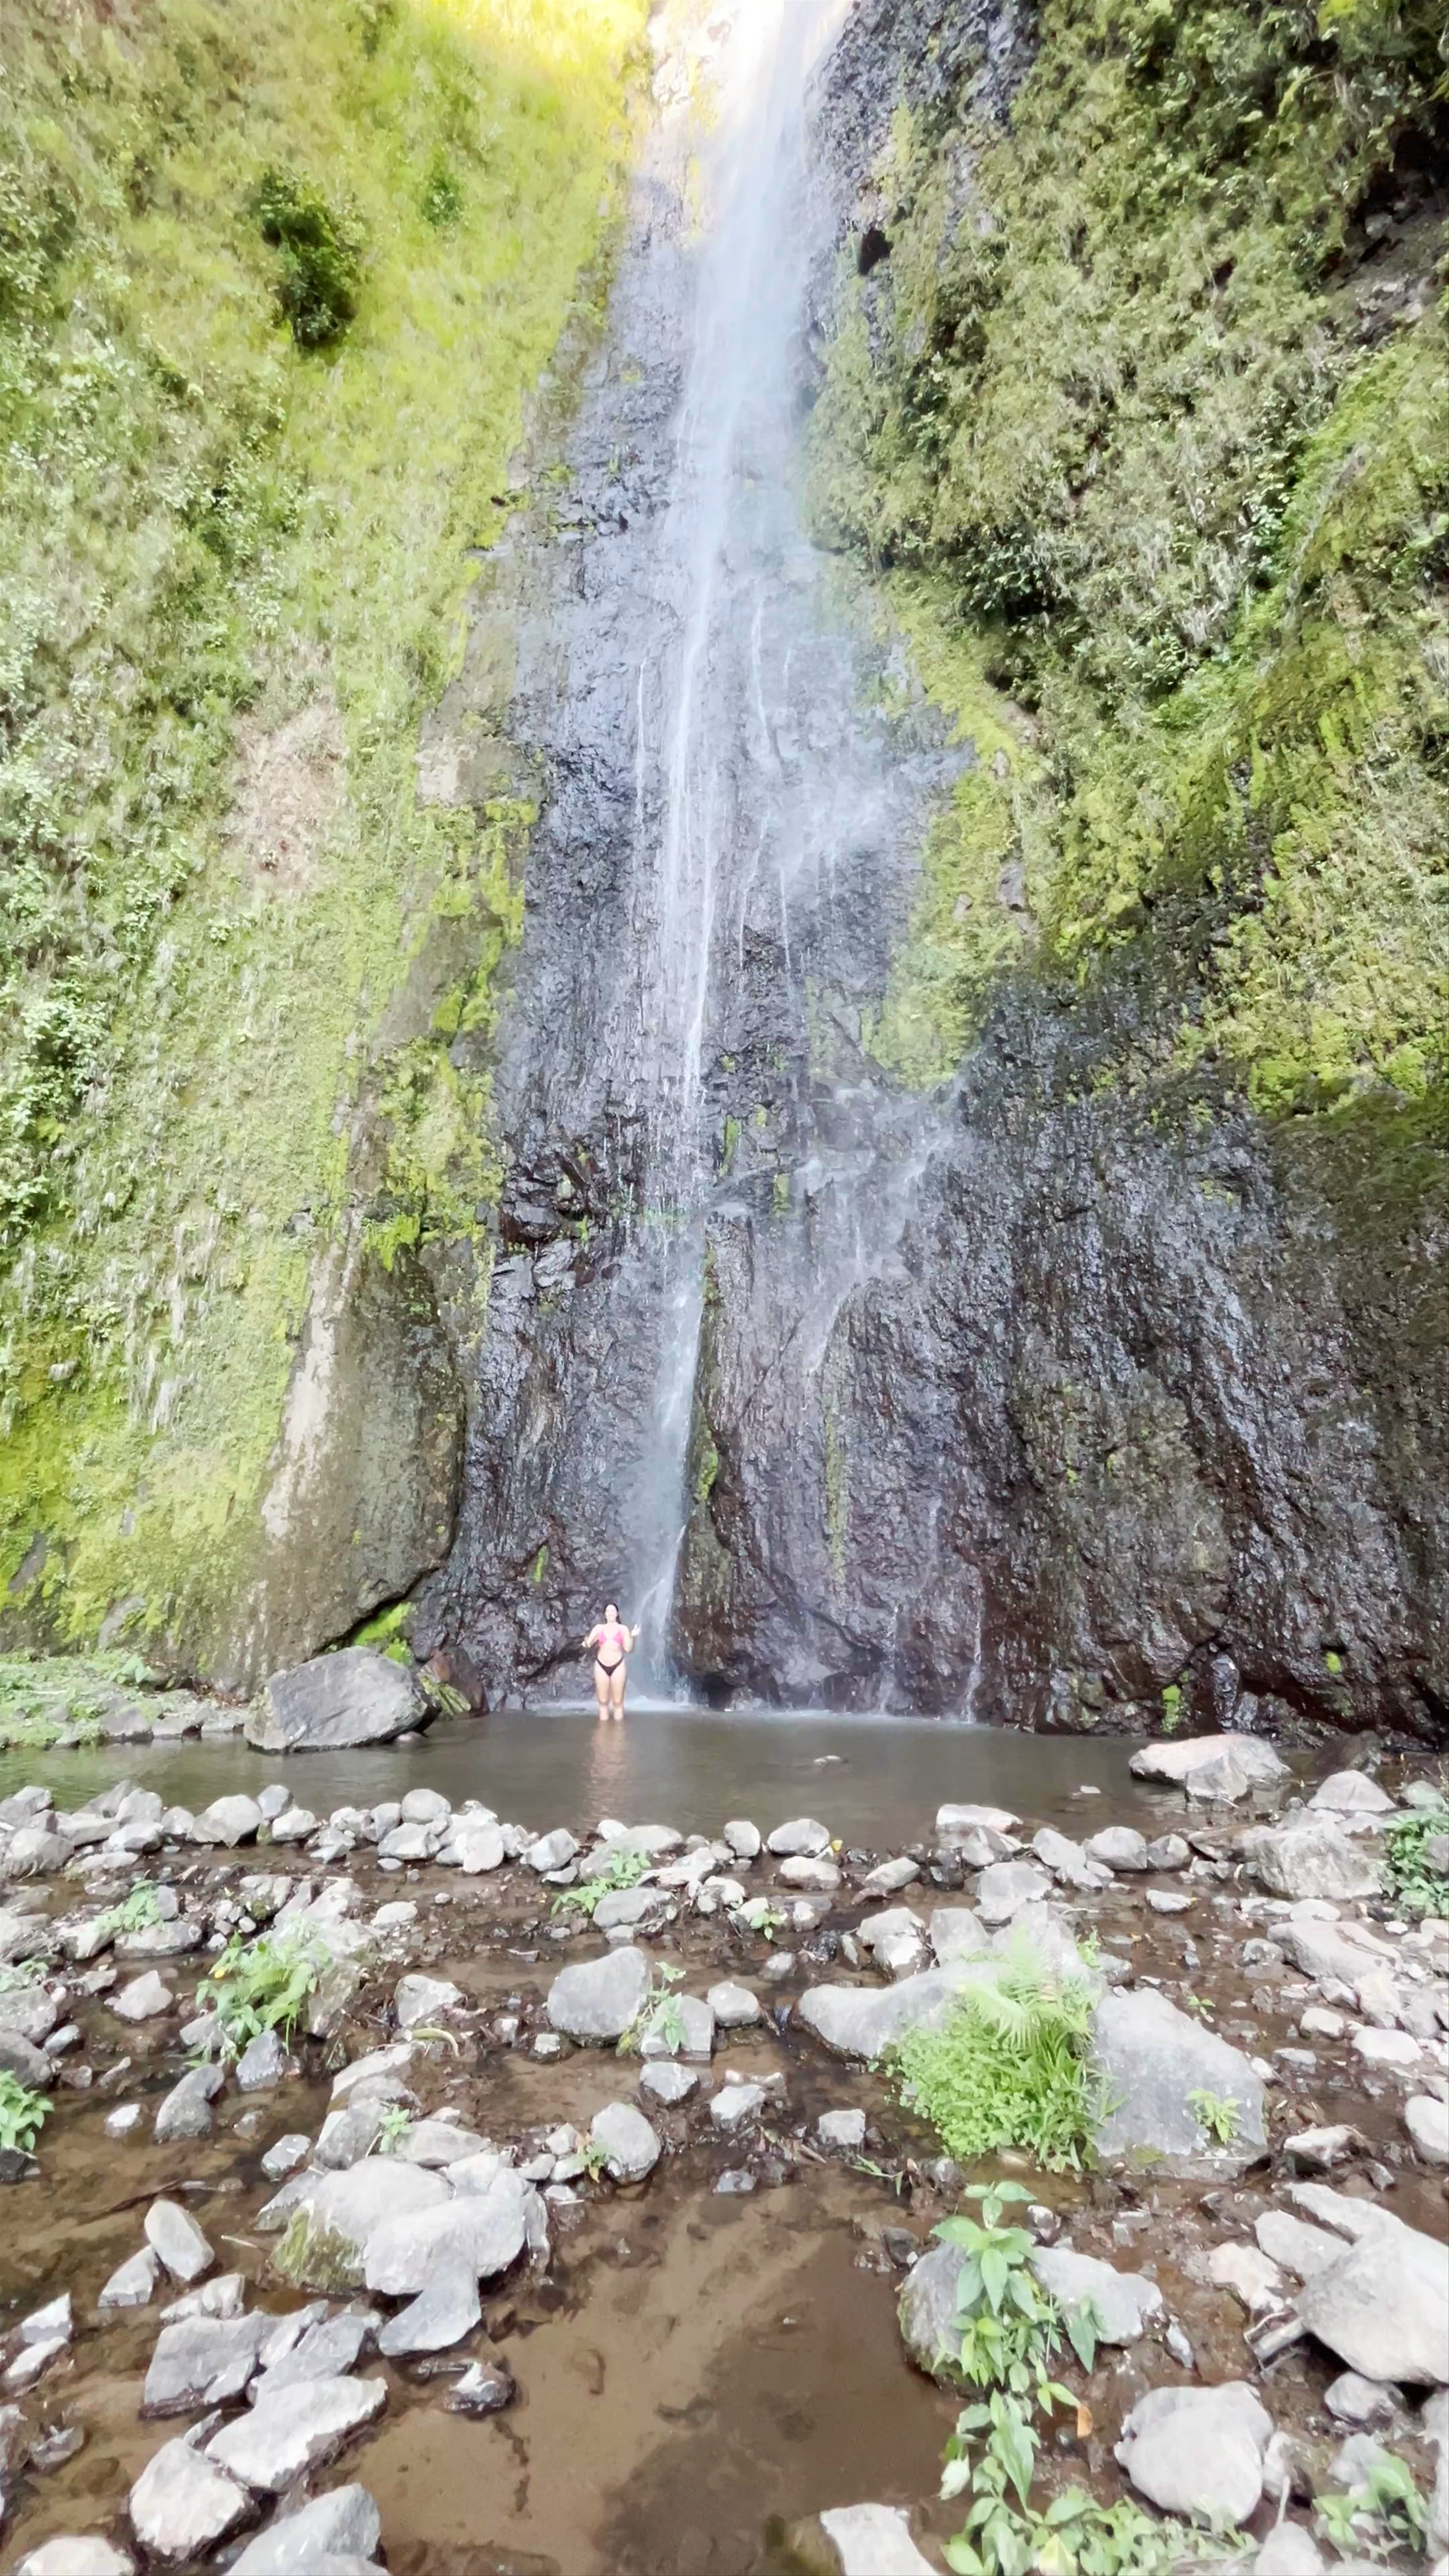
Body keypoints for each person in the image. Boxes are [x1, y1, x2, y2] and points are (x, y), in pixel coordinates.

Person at [584, 1601, 637, 1722]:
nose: (611, 1613)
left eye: (613, 1611)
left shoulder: (623, 1629)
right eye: (608, 1611)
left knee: (618, 1702)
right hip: (601, 1665)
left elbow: (629, 1649)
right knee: (603, 1702)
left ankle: (619, 1736)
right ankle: (603, 1733)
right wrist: (585, 1643)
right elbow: (589, 1644)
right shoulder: (599, 1628)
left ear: (617, 1614)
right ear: (605, 1614)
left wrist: (631, 1636)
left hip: (618, 1665)